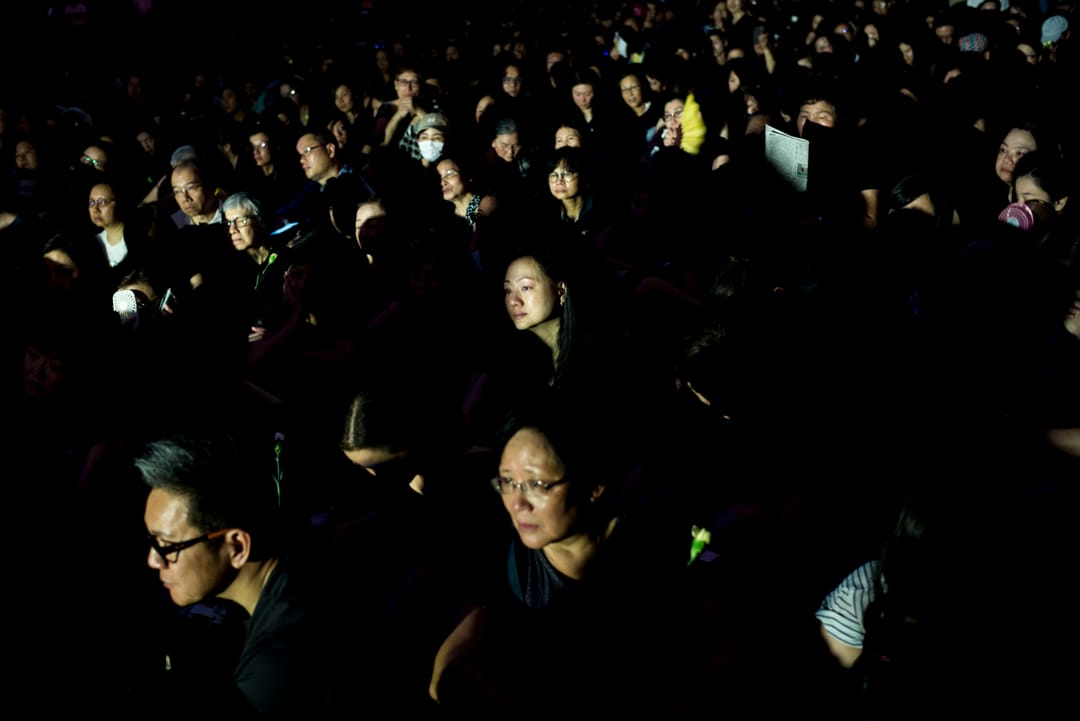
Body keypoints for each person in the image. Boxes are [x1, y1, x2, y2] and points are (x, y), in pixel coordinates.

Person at [138, 431, 322, 718]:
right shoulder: (293, 575)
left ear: (236, 545)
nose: (153, 560)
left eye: (167, 546)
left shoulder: (275, 668)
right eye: (152, 542)